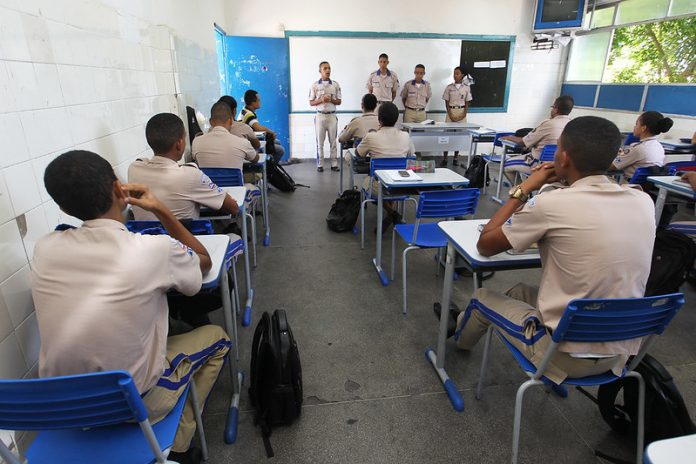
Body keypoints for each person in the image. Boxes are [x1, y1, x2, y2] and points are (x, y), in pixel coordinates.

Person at [33, 150, 231, 464]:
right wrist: (162, 211)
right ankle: (178, 446)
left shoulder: (44, 248)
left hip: (65, 408)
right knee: (218, 336)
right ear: (118, 189)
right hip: (132, 403)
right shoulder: (154, 249)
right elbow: (203, 265)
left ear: (62, 207)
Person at [446, 116, 655, 385]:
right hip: (620, 353)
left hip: (562, 354)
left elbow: (485, 245)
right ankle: (469, 320)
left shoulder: (551, 203)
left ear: (564, 158)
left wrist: (526, 187)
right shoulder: (642, 200)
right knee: (518, 291)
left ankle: (459, 342)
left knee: (481, 296)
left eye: (556, 149)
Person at [128, 113, 239, 222]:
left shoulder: (134, 169)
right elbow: (233, 207)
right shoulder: (191, 175)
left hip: (146, 238)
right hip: (185, 239)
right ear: (180, 144)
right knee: (235, 237)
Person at [356, 102, 415, 231]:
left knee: (368, 183)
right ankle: (392, 213)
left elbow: (358, 154)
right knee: (390, 183)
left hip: (378, 187)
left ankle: (392, 213)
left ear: (379, 119)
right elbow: (411, 156)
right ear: (396, 119)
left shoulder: (371, 136)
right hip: (401, 185)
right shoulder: (406, 136)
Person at [501, 95, 574, 182]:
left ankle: (521, 193)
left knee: (505, 165)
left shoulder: (549, 124)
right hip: (559, 165)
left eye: (552, 107)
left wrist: (509, 137)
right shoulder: (572, 124)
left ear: (556, 109)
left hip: (538, 163)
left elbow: (523, 142)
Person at [192, 101, 259, 171]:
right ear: (230, 121)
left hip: (207, 181)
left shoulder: (196, 142)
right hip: (234, 182)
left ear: (210, 122)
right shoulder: (243, 143)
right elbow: (256, 159)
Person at [612, 111, 674, 180]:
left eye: (636, 124)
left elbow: (612, 166)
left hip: (628, 185)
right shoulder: (659, 146)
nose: (634, 127)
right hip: (645, 186)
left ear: (643, 128)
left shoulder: (638, 148)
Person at [309, 61, 342, 172]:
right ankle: (320, 164)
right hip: (320, 116)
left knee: (333, 141)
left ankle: (334, 164)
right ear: (320, 71)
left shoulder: (335, 85)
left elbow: (339, 101)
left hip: (332, 116)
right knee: (320, 142)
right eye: (325, 69)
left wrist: (331, 100)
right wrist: (321, 100)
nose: (327, 70)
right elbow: (311, 102)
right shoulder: (315, 85)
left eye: (329, 68)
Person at [239, 89, 286, 162]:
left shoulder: (245, 110)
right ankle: (271, 169)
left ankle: (270, 164)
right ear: (253, 102)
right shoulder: (248, 114)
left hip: (250, 139)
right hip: (249, 143)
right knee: (280, 150)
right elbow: (258, 128)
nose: (260, 102)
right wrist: (272, 133)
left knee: (277, 142)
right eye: (258, 100)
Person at [441, 66, 473, 167]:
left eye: (457, 73)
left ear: (462, 75)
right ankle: (445, 158)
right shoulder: (449, 87)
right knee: (447, 136)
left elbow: (467, 103)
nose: (455, 75)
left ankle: (455, 157)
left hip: (461, 112)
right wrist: (450, 114)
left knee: (459, 136)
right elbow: (446, 102)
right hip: (451, 111)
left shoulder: (466, 88)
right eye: (454, 73)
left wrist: (463, 114)